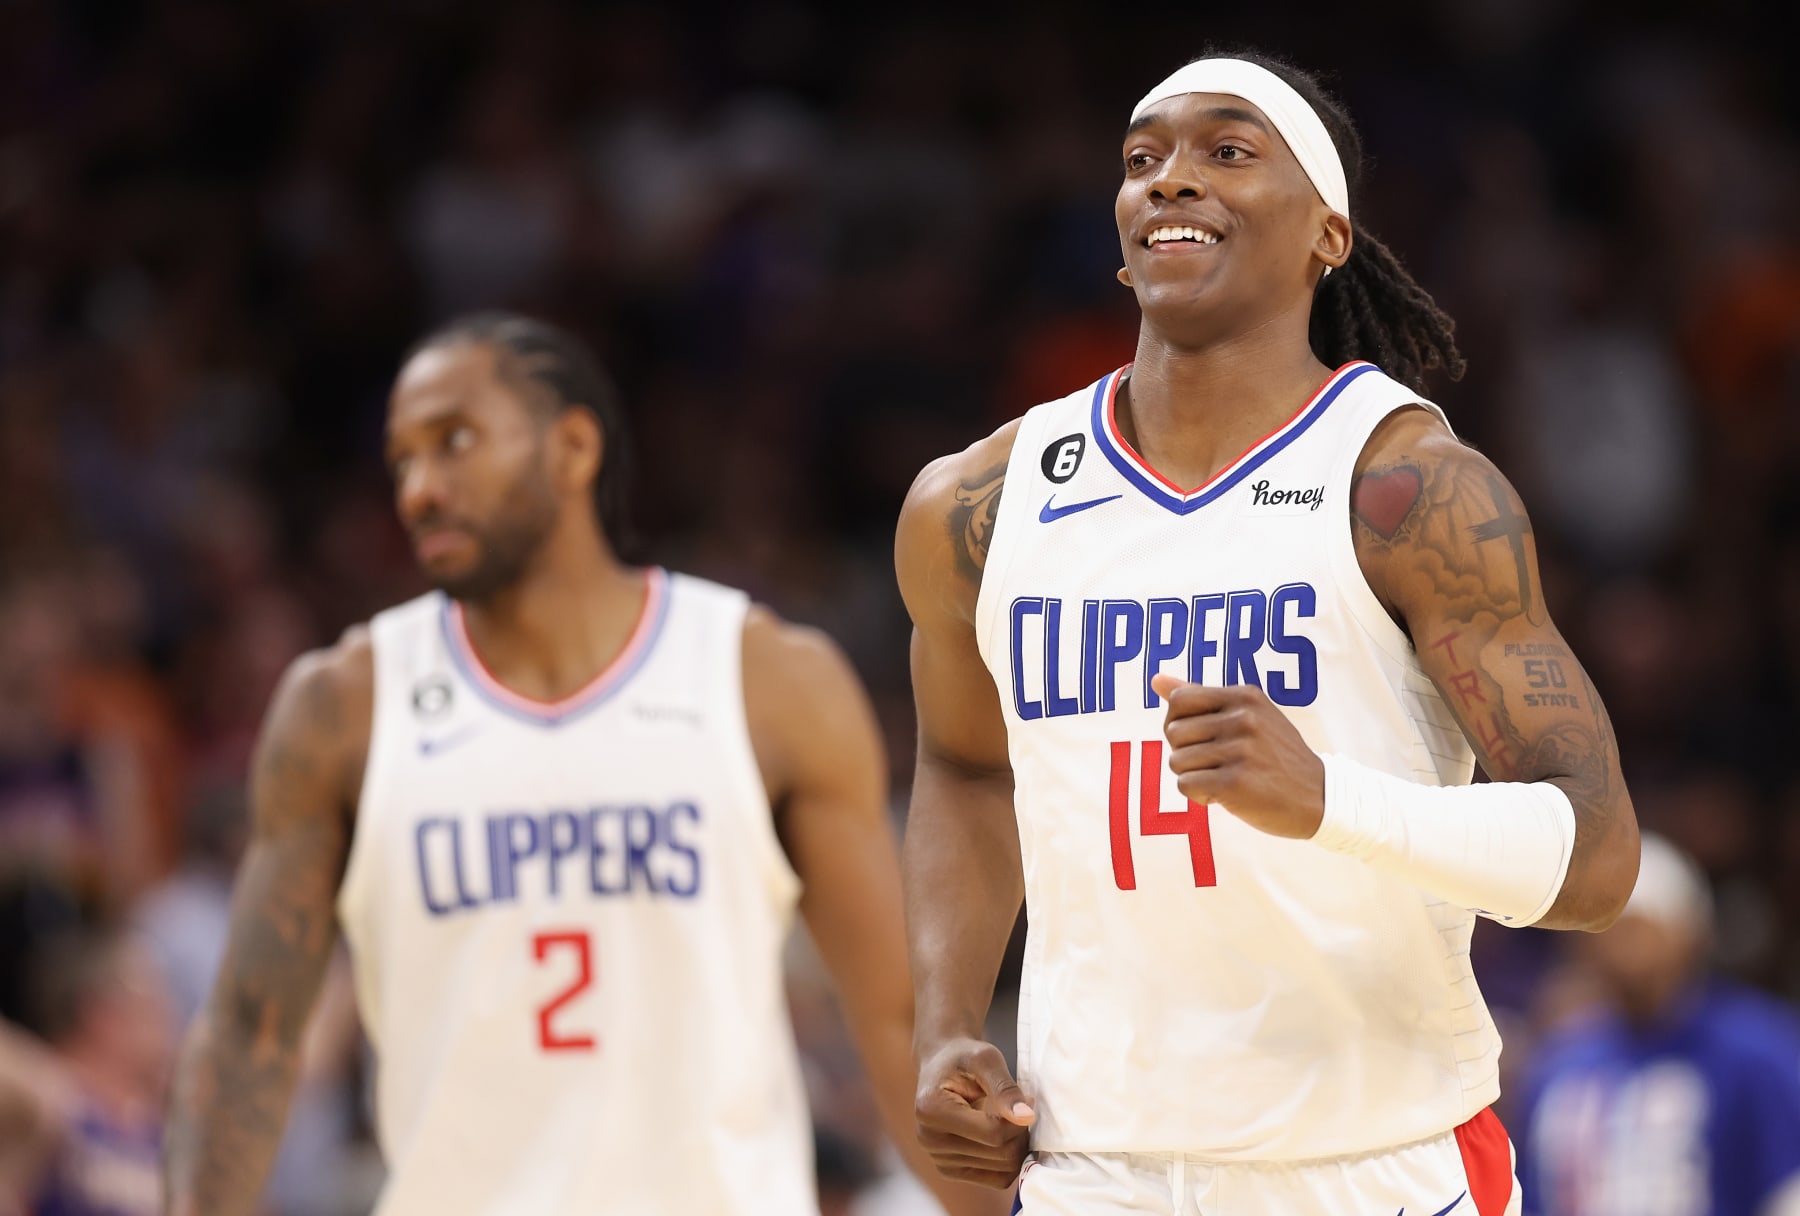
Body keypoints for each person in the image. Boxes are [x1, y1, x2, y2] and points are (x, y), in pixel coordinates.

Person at [896, 51, 1641, 1215]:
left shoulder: (1411, 488)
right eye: (1144, 160)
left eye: (1227, 153)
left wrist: (1326, 799)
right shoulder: (977, 504)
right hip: (1096, 1168)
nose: (1171, 181)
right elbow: (961, 760)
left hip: (1371, 1162)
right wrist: (943, 1026)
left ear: (1327, 235)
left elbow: (1597, 861)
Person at [164, 312, 1002, 1216]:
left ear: (572, 446)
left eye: (453, 441)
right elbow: (251, 1037)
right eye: (402, 459)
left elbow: (890, 1027)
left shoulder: (768, 681)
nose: (419, 489)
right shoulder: (343, 709)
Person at [1517, 833, 1800, 1216]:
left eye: (1637, 926)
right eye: (1603, 930)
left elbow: (1787, 1189)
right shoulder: (1560, 1065)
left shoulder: (1756, 1050)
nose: (1619, 946)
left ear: (1689, 932)